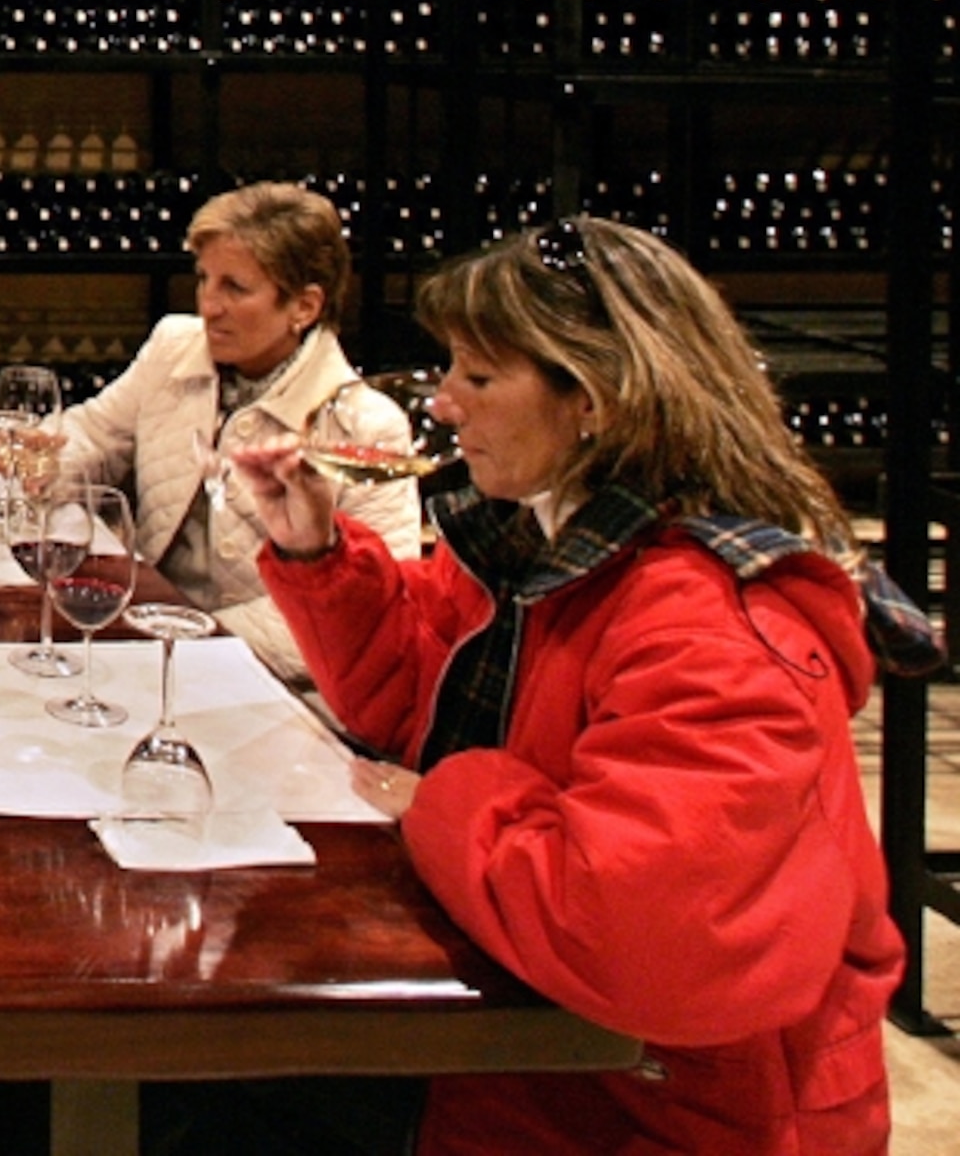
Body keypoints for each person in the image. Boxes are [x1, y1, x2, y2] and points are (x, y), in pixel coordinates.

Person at [228, 216, 934, 1156]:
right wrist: (315, 552)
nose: (443, 403)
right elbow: (412, 706)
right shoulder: (545, 535)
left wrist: (449, 796)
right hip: (556, 1056)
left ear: (595, 396)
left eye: (478, 376)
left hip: (678, 1104)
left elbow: (624, 927)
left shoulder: (704, 623)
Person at [52, 181, 419, 687]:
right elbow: (94, 436)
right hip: (143, 637)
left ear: (304, 306)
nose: (208, 305)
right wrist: (44, 459)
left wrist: (198, 638)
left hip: (269, 683)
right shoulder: (173, 346)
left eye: (235, 288)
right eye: (204, 279)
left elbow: (378, 607)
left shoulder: (366, 426)